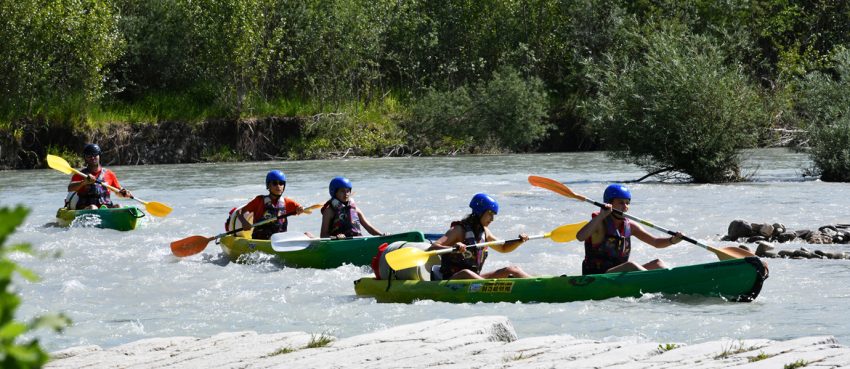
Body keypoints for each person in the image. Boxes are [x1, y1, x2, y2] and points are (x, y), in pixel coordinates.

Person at [576, 183, 683, 275]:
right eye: (621, 202)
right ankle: (657, 283)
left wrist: (672, 240)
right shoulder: (599, 223)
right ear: (610, 203)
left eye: (627, 203)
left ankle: (673, 282)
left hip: (618, 274)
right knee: (630, 266)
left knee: (658, 263)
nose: (625, 206)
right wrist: (601, 216)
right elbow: (580, 237)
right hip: (598, 276)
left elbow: (655, 242)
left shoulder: (630, 226)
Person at [428, 193, 531, 280]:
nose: (492, 219)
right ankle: (489, 288)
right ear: (479, 212)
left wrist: (519, 241)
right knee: (466, 273)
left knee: (512, 270)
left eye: (493, 215)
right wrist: (453, 248)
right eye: (490, 214)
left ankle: (537, 284)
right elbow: (431, 248)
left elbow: (503, 248)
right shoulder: (458, 230)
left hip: (475, 279)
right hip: (452, 280)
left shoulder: (485, 232)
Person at [235, 170, 305, 240]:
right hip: (261, 238)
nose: (278, 186)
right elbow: (239, 212)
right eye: (275, 183)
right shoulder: (259, 201)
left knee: (307, 234)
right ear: (268, 185)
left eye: (281, 183)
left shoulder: (287, 202)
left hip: (280, 239)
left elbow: (303, 209)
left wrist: (301, 209)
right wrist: (244, 222)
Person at [66, 143, 133, 209]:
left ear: (99, 155)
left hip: (106, 208)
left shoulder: (109, 174)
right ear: (85, 158)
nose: (92, 158)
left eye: (95, 155)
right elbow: (70, 188)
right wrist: (84, 182)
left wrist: (124, 192)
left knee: (119, 206)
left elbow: (118, 191)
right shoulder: (80, 174)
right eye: (89, 156)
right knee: (93, 207)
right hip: (86, 208)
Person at [320, 176, 386, 239]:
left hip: (357, 240)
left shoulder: (355, 209)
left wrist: (381, 235)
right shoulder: (329, 211)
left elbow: (369, 228)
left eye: (348, 191)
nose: (346, 194)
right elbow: (323, 235)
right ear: (334, 192)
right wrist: (336, 238)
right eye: (342, 191)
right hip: (338, 242)